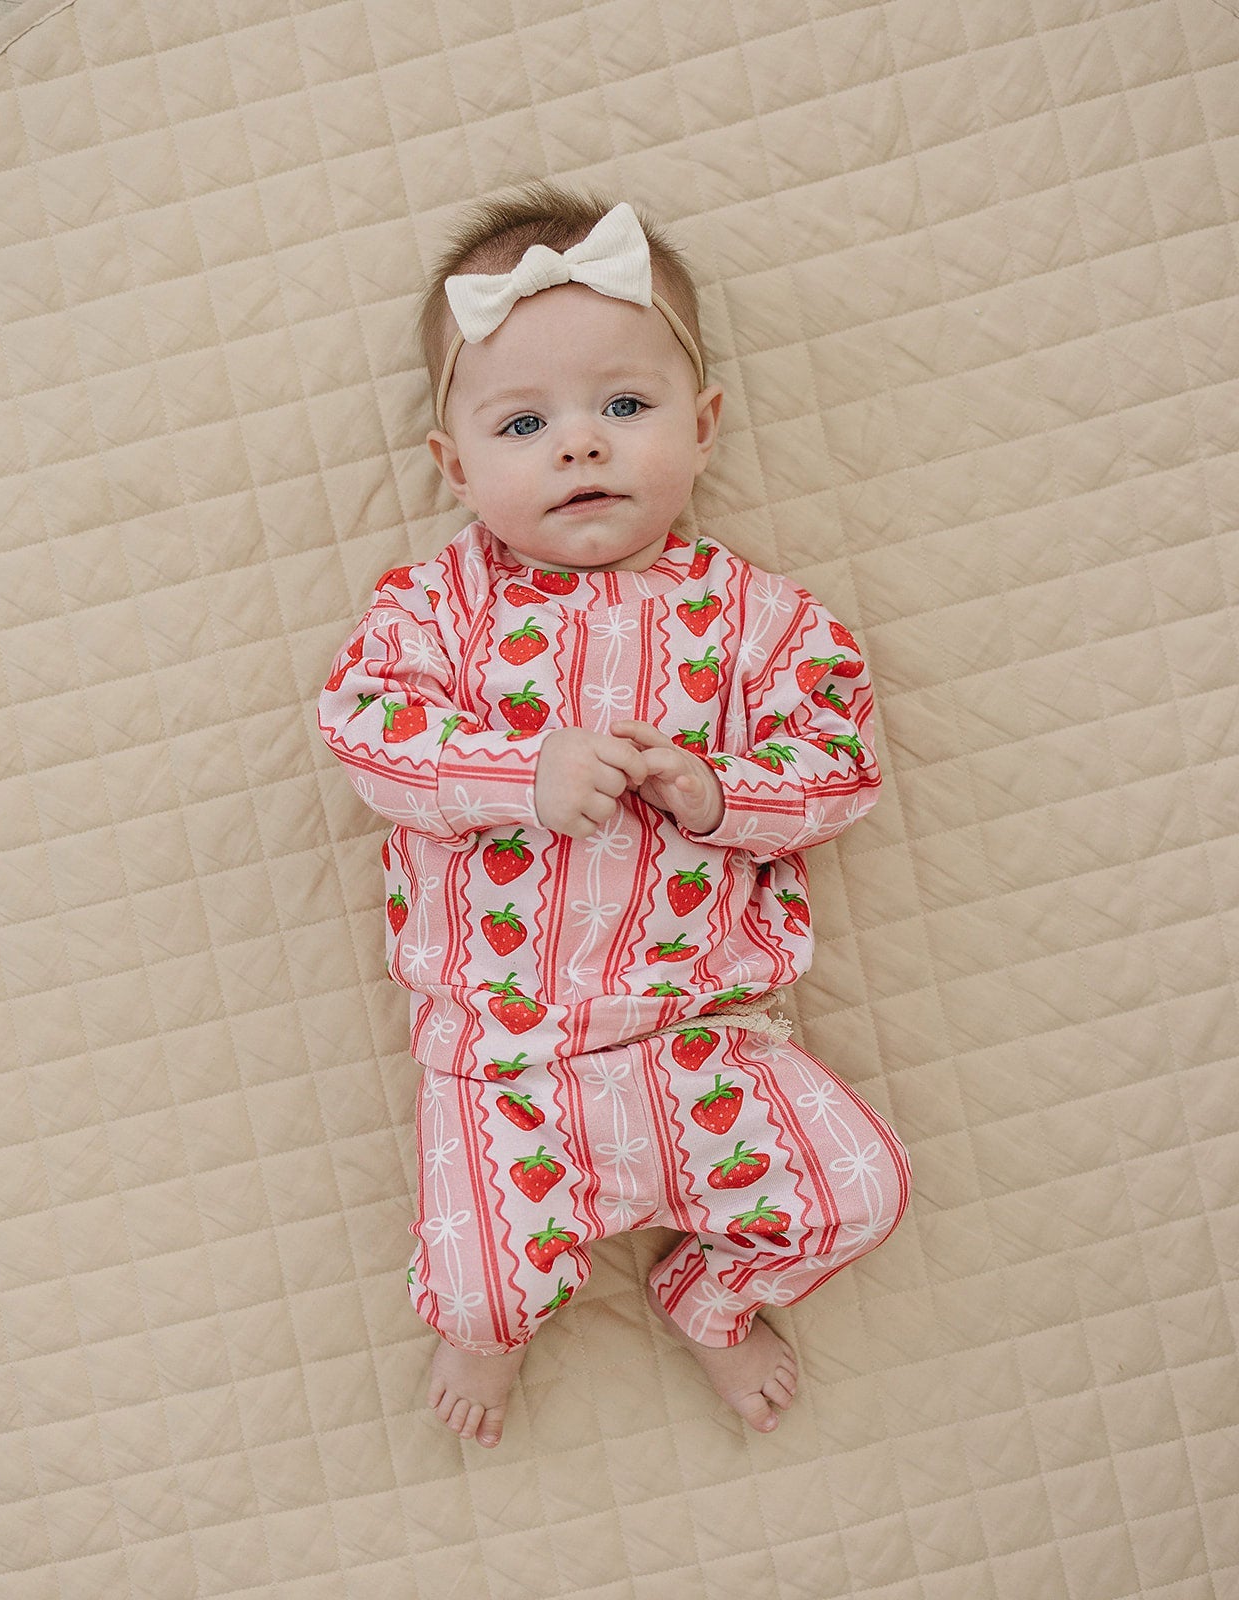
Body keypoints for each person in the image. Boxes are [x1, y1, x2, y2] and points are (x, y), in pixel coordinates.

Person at [317, 182, 910, 1449]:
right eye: (523, 423)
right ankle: (490, 1331)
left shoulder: (759, 620)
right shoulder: (436, 608)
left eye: (624, 408)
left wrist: (719, 793)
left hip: (702, 1035)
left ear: (702, 426)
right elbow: (366, 730)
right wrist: (517, 775)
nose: (578, 447)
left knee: (858, 1193)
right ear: (454, 465)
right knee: (479, 1287)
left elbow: (842, 758)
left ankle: (708, 1293)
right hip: (503, 1058)